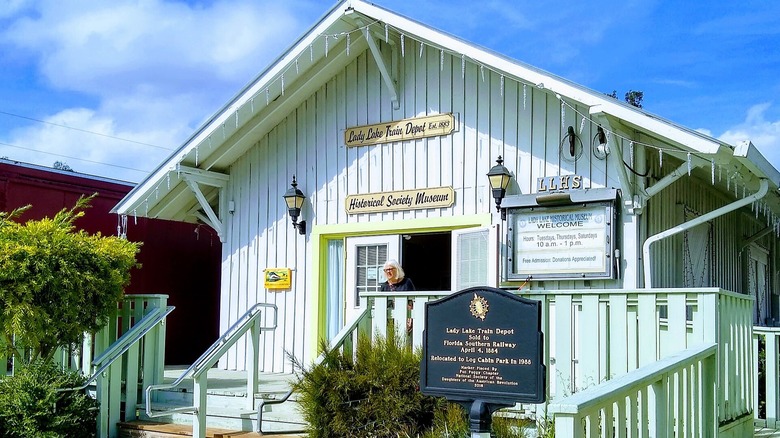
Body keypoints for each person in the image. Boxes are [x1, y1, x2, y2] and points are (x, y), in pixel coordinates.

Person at [380, 259, 415, 333]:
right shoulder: (384, 286)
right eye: (385, 270)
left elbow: (413, 301)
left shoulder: (407, 282)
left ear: (397, 269)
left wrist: (410, 318)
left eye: (390, 269)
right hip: (390, 319)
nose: (388, 272)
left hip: (406, 317)